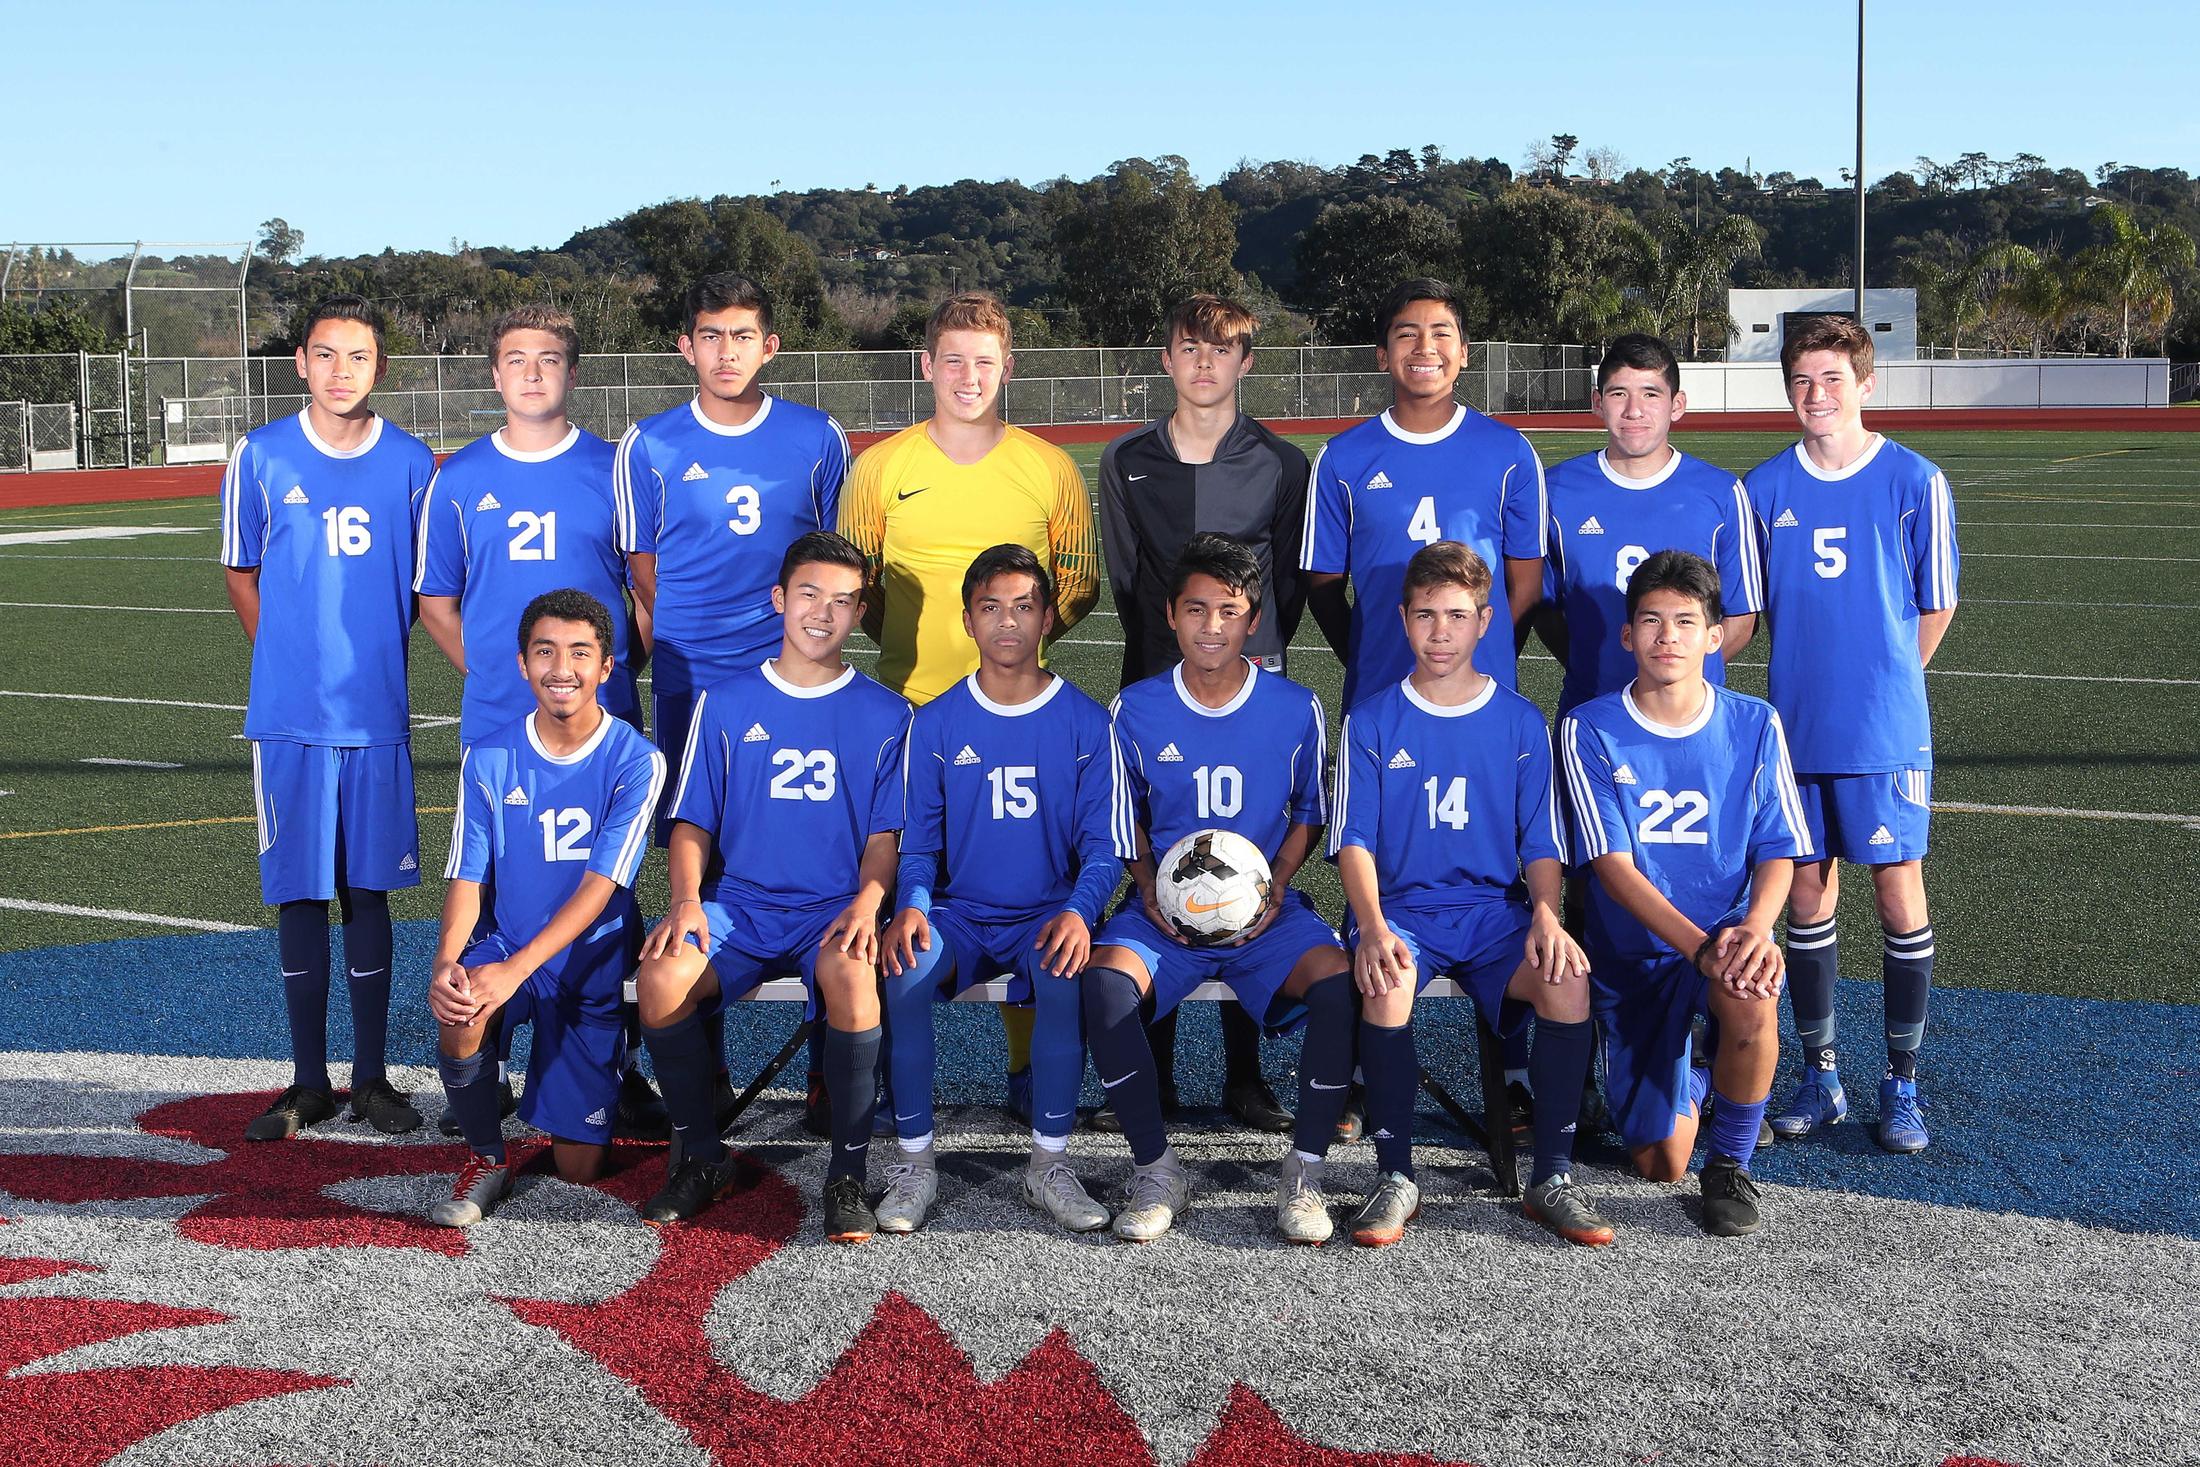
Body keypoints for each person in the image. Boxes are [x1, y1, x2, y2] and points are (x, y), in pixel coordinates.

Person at [838, 290, 1102, 1119]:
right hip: (912, 712)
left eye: (983, 360)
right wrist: (928, 649)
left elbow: (1078, 582)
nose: (967, 375)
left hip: (1025, 720)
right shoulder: (879, 466)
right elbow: (861, 586)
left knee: (1030, 889)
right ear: (926, 365)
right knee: (912, 901)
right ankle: (879, 1070)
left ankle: (1030, 1077)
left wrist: (1018, 649)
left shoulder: (1049, 466)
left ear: (1008, 367)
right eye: (951, 358)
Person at [414, 304, 660, 1136]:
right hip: (498, 722)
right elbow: (437, 599)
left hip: (601, 716)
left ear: (571, 372)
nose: (530, 372)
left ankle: (610, 1064)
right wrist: (495, 674)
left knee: (603, 891)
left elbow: (644, 588)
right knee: (494, 891)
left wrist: (614, 667)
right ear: (494, 373)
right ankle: (483, 1057)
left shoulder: (611, 466)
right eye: (515, 358)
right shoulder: (458, 477)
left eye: (548, 358)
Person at [612, 271, 849, 1128]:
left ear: (770, 345)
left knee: (819, 850)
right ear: (686, 345)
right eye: (710, 335)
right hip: (693, 683)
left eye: (742, 335)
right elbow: (644, 567)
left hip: (796, 680)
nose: (725, 352)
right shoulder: (648, 445)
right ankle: (700, 1069)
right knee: (700, 867)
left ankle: (832, 1069)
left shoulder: (817, 437)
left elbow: (830, 554)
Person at [1325, 542, 1610, 1248]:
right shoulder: (1371, 719)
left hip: (1493, 914)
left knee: (1566, 980)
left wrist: (1546, 915)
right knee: (1387, 982)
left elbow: (1541, 841)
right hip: (1401, 912)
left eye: (1457, 614)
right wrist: (1371, 926)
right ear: (1402, 618)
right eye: (1426, 614)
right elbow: (1353, 841)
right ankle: (1396, 1176)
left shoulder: (1518, 721)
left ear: (1486, 620)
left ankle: (1552, 1176)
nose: (1441, 630)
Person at [631, 532, 911, 1242]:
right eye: (810, 594)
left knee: (854, 979)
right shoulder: (724, 702)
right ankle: (701, 1156)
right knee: (662, 977)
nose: (824, 613)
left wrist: (869, 902)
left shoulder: (887, 714)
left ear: (859, 613)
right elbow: (692, 820)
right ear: (780, 598)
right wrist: (687, 899)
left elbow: (885, 838)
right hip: (741, 907)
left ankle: (845, 1174)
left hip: (831, 910)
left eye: (844, 601)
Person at [1078, 534, 1352, 1242]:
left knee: (1341, 987)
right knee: (1104, 987)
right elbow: (1123, 813)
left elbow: (1308, 812)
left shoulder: (1295, 707)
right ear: (1170, 615)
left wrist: (1278, 885)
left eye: (1227, 611)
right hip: (1164, 911)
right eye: (1195, 609)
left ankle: (1305, 1171)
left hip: (1264, 910)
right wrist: (1145, 886)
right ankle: (1156, 1166)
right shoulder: (1134, 708)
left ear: (1250, 618)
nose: (1210, 625)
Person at [219, 294, 436, 1141]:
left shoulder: (415, 464)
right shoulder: (262, 456)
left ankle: (372, 1076)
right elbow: (242, 574)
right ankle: (308, 1079)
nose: (340, 371)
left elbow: (425, 591)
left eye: (358, 356)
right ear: (301, 362)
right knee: (301, 894)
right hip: (289, 721)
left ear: (379, 367)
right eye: (324, 354)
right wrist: (287, 664)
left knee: (368, 889)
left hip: (375, 713)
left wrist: (367, 655)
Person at [1095, 292, 1310, 1134]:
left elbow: (1285, 583)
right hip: (1158, 678)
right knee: (1158, 863)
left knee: (1240, 863)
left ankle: (1245, 1073)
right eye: (1190, 347)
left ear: (1247, 361)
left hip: (1249, 679)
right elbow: (1126, 576)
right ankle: (1145, 1071)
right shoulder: (1126, 460)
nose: (1206, 363)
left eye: (1223, 350)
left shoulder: (1284, 464)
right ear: (1168, 358)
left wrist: (1246, 655)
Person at [1745, 316, 1959, 1154]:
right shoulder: (1763, 489)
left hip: (1883, 731)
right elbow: (1745, 612)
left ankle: (1902, 1081)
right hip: (1793, 733)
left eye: (1832, 378)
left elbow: (1935, 602)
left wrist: (1886, 686)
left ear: (1867, 384)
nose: (1816, 395)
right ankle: (1821, 1072)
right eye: (1801, 381)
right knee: (1805, 893)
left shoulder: (1915, 479)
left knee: (1898, 890)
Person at [877, 544, 1132, 1234]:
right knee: (902, 971)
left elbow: (1106, 846)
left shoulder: (1086, 721)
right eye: (991, 607)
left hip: (1046, 913)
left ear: (1048, 617)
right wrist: (913, 910)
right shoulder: (933, 722)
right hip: (960, 914)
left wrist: (1081, 913)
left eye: (1023, 606)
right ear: (968, 620)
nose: (1008, 622)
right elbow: (921, 844)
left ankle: (1046, 1164)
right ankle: (915, 1163)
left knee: (1063, 975)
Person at [1560, 551, 1811, 1235]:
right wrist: (1700, 950)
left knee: (1751, 988)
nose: (1667, 635)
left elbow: (1779, 847)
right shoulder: (1591, 728)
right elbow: (1611, 868)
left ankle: (1730, 1163)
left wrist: (1756, 928)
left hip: (1723, 933)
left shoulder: (1754, 723)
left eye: (1684, 621)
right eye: (1650, 620)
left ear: (1715, 634)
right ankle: (1700, 1074)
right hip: (1637, 955)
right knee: (1658, 1161)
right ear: (1626, 635)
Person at [425, 590, 665, 1226]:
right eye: (546, 652)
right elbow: (467, 874)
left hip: (591, 960)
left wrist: (517, 970)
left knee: (578, 1167)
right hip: (512, 939)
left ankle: (602, 1068)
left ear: (606, 667)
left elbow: (600, 889)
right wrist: (449, 959)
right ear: (523, 663)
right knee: (463, 1002)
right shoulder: (490, 754)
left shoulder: (636, 760)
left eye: (580, 652)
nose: (563, 667)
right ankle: (485, 1152)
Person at [1301, 278, 1546, 714]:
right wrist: (1369, 652)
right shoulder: (1342, 458)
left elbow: (1525, 586)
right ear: (1382, 356)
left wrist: (1484, 650)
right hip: (1380, 691)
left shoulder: (1510, 453)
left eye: (1440, 332)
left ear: (1465, 353)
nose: (1424, 346)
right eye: (1407, 333)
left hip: (1485, 693)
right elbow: (1323, 586)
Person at [1540, 332, 1760, 722]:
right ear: (1597, 403)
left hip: (1694, 717)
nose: (1634, 410)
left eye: (1651, 394)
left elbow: (1742, 617)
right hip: (1592, 711)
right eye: (1618, 393)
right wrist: (1592, 662)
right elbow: (1545, 609)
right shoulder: (1555, 491)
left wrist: (1677, 673)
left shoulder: (1722, 493)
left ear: (1677, 405)